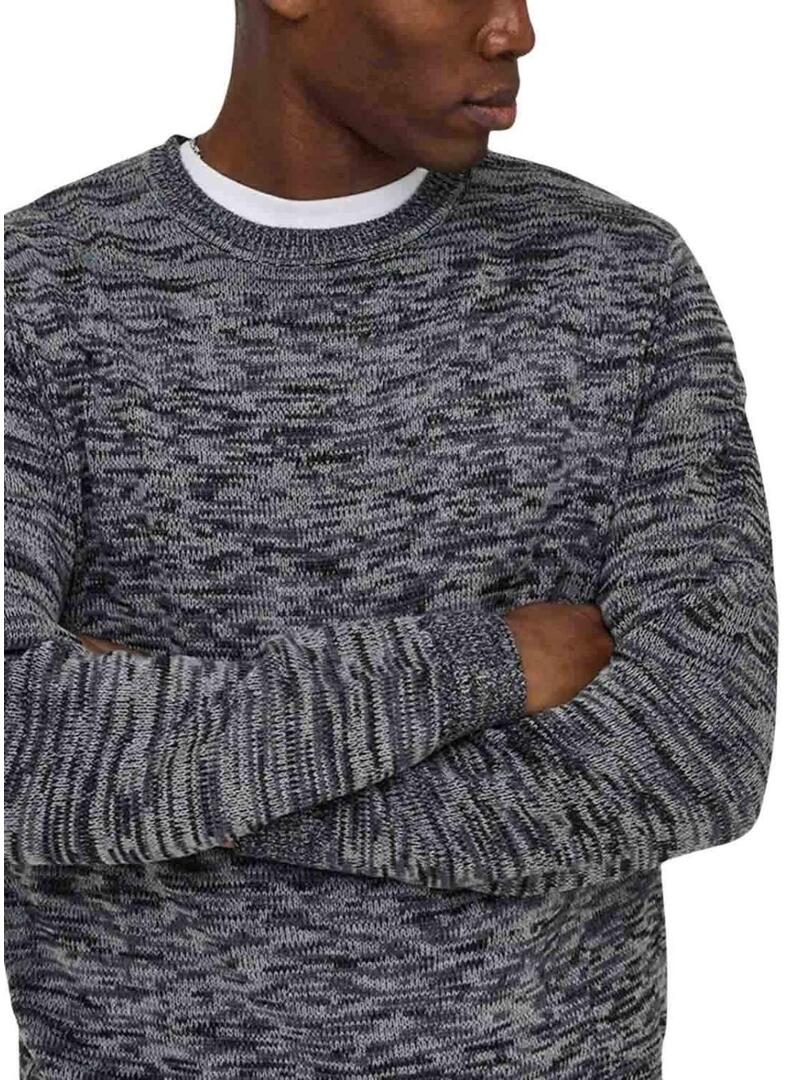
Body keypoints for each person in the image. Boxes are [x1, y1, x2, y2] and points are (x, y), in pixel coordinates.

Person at [3, 1, 778, 1077]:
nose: (514, 31)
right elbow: (17, 747)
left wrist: (158, 770)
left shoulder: (618, 279)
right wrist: (484, 665)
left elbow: (697, 751)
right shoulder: (39, 292)